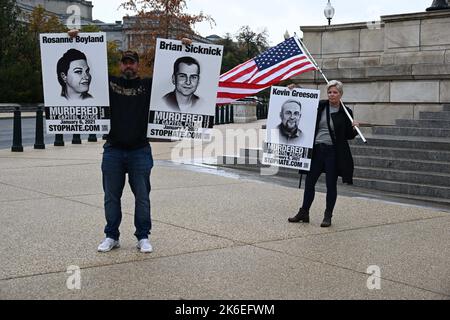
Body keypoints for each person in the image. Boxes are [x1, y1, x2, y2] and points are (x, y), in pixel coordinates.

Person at [288, 80, 359, 227]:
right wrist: (296, 88)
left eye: (335, 92)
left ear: (340, 94)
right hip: (317, 150)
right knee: (309, 183)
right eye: (330, 92)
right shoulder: (321, 105)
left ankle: (328, 216)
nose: (332, 95)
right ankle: (304, 212)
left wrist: (354, 128)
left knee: (330, 185)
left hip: (333, 152)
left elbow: (348, 135)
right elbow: (306, 101)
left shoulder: (346, 111)